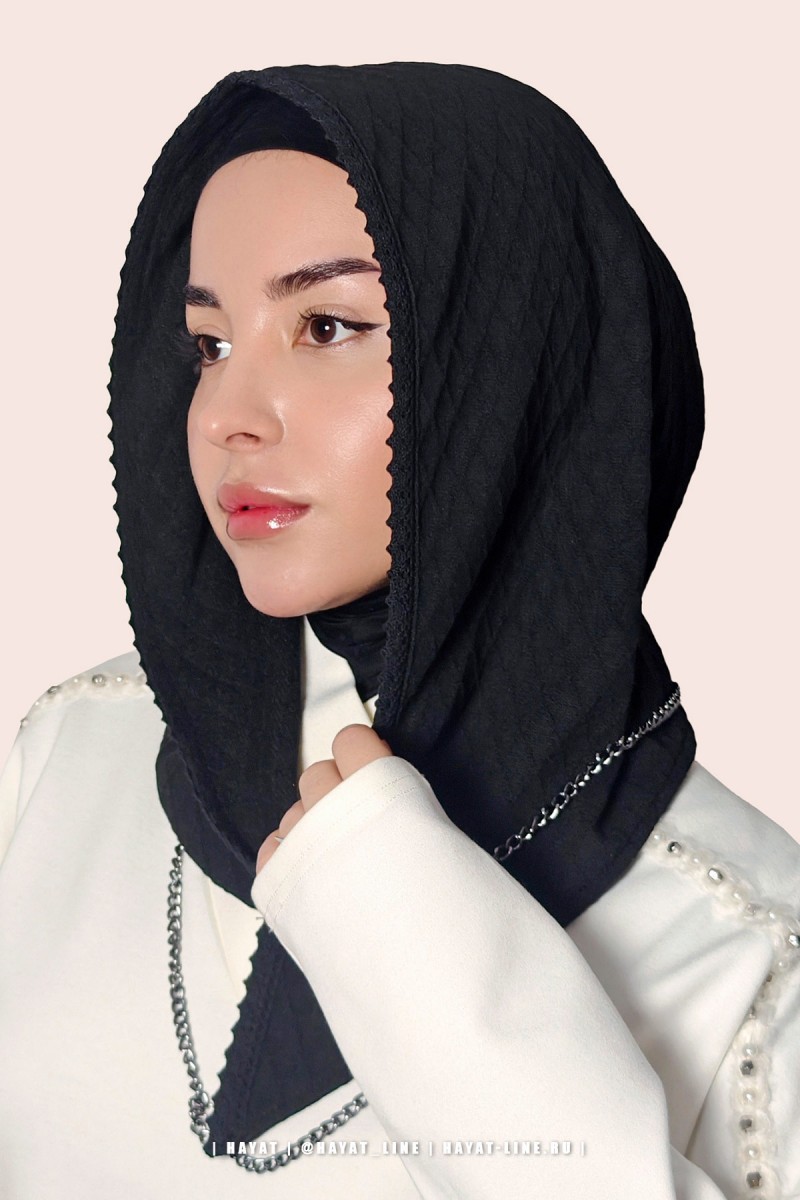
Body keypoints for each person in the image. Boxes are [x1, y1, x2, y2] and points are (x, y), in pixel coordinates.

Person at [0, 61, 798, 1199]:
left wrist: (455, 990)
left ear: (515, 360)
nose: (226, 416)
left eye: (325, 325)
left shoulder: (746, 951)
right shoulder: (75, 753)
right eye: (208, 345)